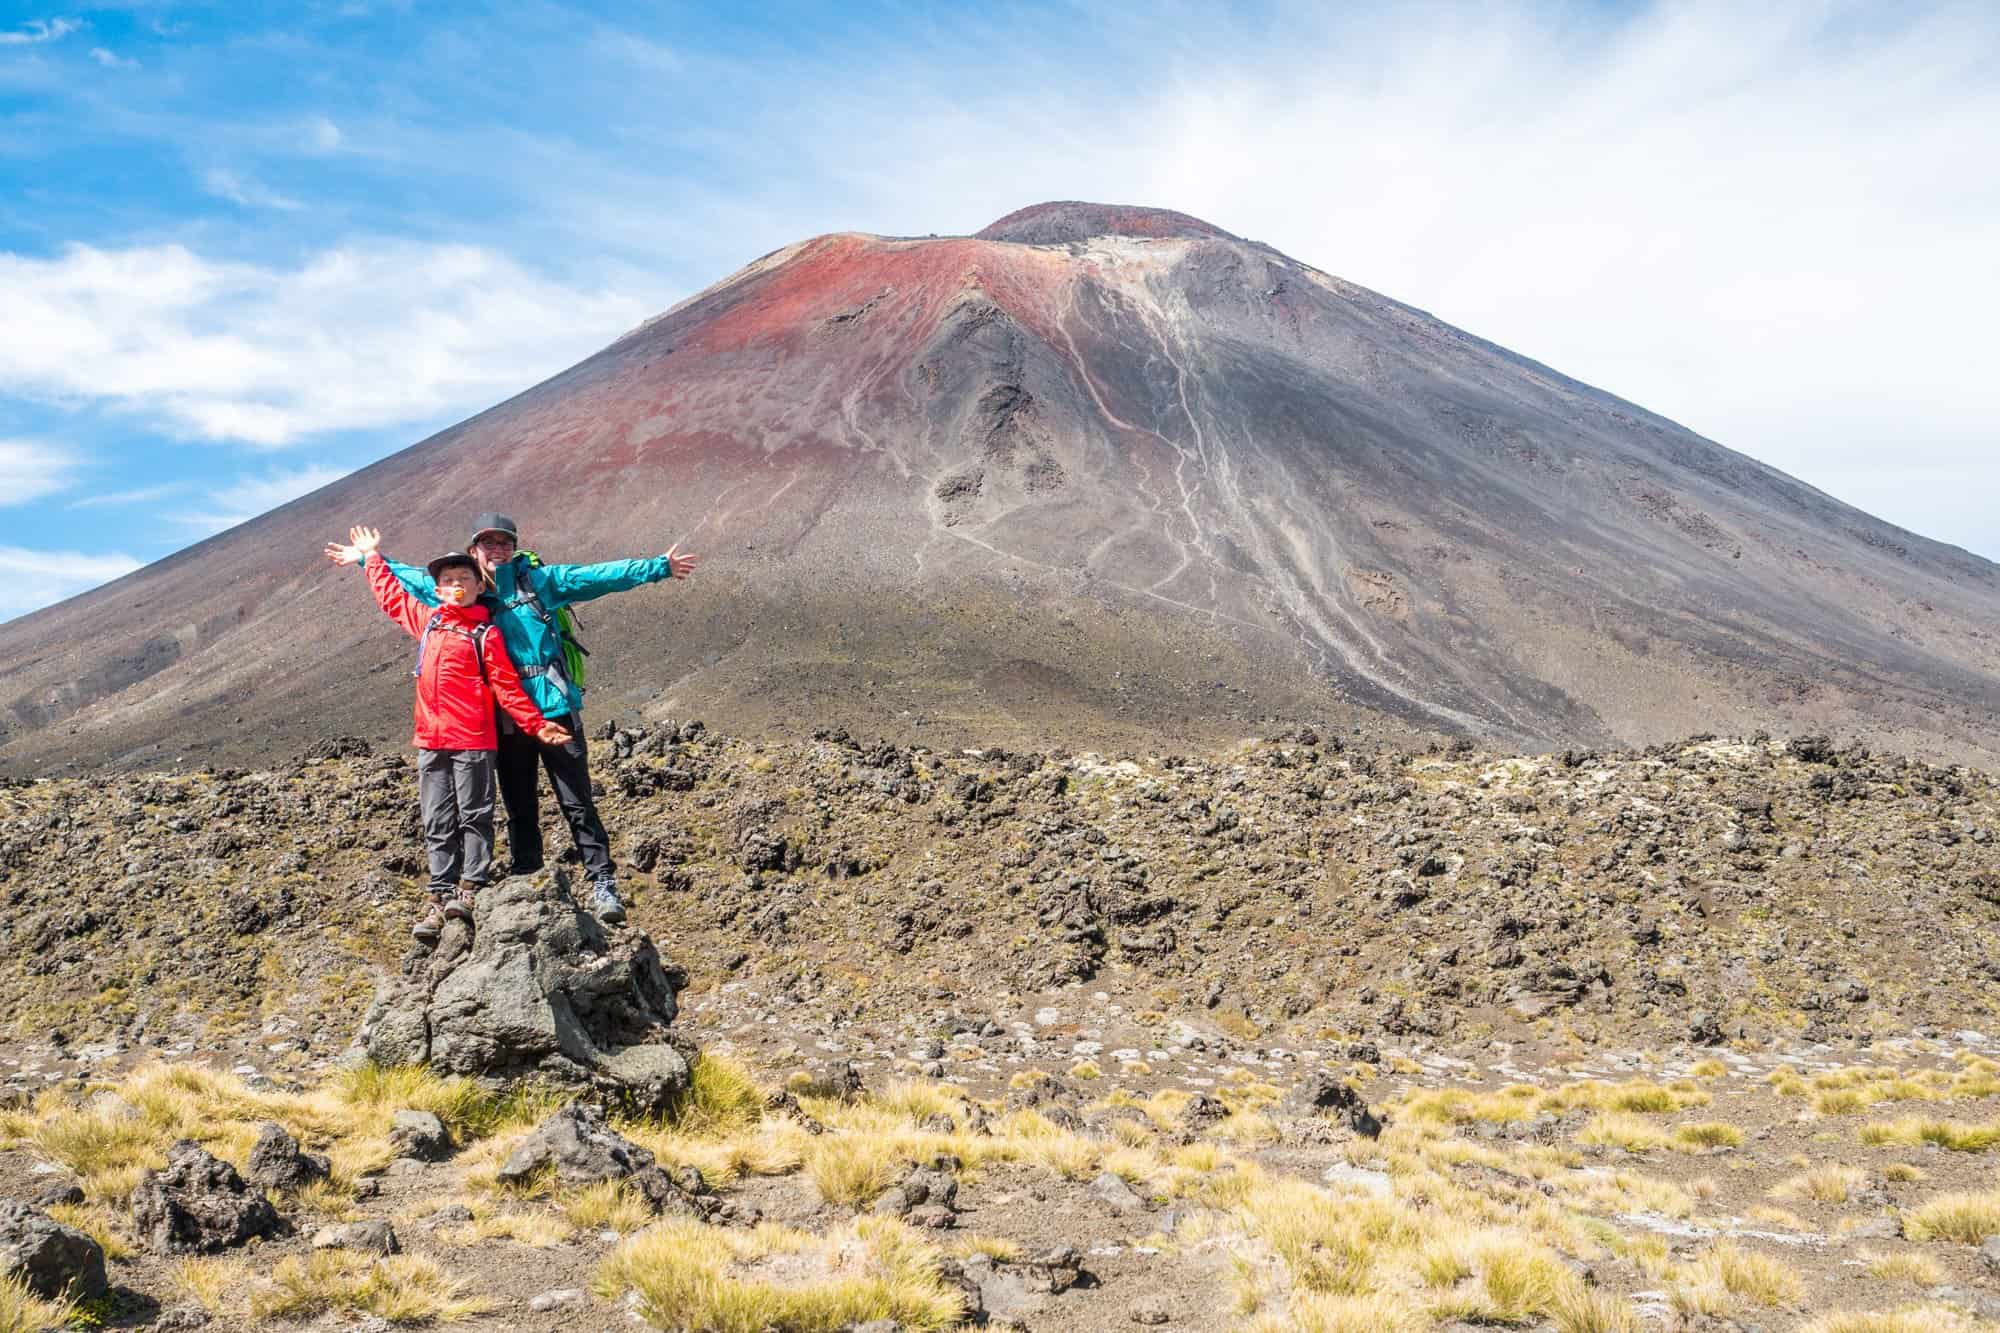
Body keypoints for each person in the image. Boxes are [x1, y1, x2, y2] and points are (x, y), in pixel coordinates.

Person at [325, 512, 700, 924]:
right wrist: (368, 558)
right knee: (519, 805)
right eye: (488, 543)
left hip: (555, 710)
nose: (498, 549)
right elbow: (413, 579)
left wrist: (657, 567)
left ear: (515, 547)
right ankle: (527, 877)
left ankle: (602, 882)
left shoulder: (539, 582)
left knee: (577, 802)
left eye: (505, 542)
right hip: (505, 719)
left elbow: (598, 576)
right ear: (474, 552)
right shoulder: (467, 593)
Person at [348, 525, 572, 945]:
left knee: (474, 815)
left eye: (464, 578)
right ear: (437, 589)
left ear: (477, 586)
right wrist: (372, 558)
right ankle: (439, 895)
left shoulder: (486, 634)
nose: (455, 585)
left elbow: (507, 686)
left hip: (473, 741)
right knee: (436, 819)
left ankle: (471, 888)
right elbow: (392, 597)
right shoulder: (428, 623)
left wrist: (536, 724)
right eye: (448, 580)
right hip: (431, 741)